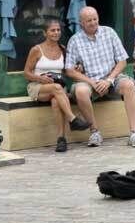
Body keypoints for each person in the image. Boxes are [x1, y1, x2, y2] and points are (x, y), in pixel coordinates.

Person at [64, 6, 135, 148]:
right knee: (81, 91)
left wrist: (109, 80)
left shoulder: (109, 32)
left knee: (129, 85)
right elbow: (69, 70)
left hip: (112, 77)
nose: (93, 22)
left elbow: (122, 61)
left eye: (95, 19)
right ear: (81, 23)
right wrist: (92, 82)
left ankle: (134, 133)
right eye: (89, 20)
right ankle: (94, 132)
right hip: (90, 81)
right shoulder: (75, 40)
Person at [23, 19, 91, 152]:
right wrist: (40, 78)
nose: (56, 32)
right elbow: (26, 73)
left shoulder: (63, 49)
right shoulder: (37, 50)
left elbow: (67, 71)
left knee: (56, 101)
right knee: (57, 89)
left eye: (58, 30)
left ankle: (61, 140)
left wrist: (77, 68)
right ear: (45, 33)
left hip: (57, 88)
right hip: (38, 86)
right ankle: (73, 119)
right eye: (52, 30)